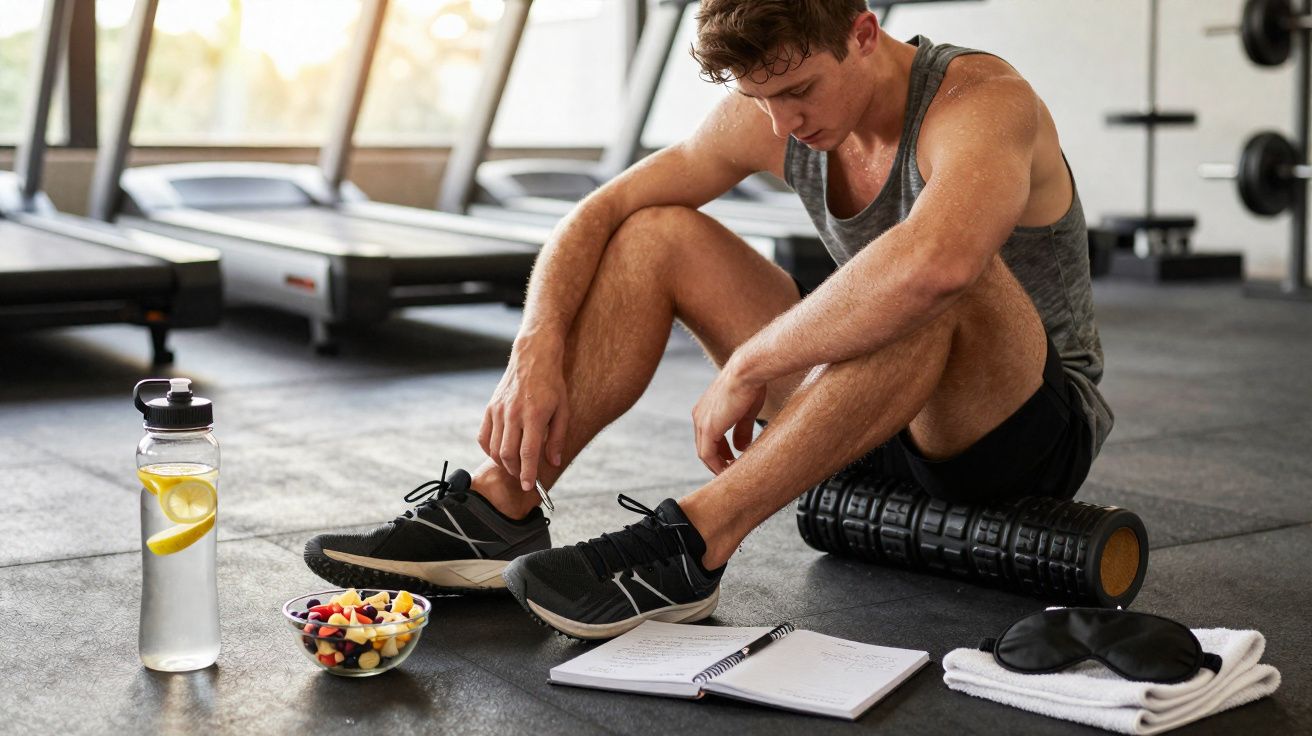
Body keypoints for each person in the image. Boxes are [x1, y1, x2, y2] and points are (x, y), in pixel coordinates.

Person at [304, 0, 1112, 640]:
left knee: (935, 273)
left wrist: (751, 365)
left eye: (798, 91)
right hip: (870, 405)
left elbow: (936, 265)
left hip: (1017, 428)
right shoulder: (772, 111)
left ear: (864, 33)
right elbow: (599, 208)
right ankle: (500, 505)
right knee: (655, 233)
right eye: (760, 99)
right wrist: (535, 346)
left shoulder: (980, 100)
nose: (783, 125)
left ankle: (693, 546)